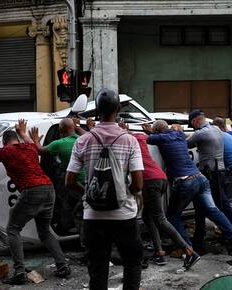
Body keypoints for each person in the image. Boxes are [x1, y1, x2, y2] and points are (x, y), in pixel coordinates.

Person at [65, 89, 144, 290]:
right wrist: (130, 194)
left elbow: (69, 181)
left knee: (98, 269)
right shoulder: (130, 140)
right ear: (118, 110)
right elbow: (138, 184)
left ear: (97, 111)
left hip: (93, 216)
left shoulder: (82, 140)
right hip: (124, 215)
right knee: (132, 262)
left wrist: (89, 192)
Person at [143, 120, 232, 262]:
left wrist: (148, 131)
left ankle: (186, 247)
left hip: (185, 181)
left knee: (172, 214)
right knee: (214, 212)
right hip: (201, 178)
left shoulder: (160, 138)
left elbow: (145, 138)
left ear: (157, 132)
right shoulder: (180, 135)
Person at [0, 120, 70, 285]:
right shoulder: (30, 147)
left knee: (13, 229)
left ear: (5, 141)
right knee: (45, 232)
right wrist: (23, 132)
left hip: (31, 190)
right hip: (49, 189)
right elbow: (32, 142)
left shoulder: (5, 151)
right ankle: (62, 266)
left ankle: (20, 272)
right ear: (17, 139)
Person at [124, 125, 198, 267]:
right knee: (147, 216)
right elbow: (146, 136)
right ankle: (159, 253)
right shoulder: (139, 137)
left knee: (160, 218)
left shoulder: (125, 140)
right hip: (160, 177)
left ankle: (189, 251)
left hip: (150, 181)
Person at [187, 110, 232, 250]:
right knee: (219, 206)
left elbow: (185, 144)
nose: (193, 128)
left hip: (210, 173)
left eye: (192, 125)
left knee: (212, 208)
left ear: (195, 121)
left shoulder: (200, 133)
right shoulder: (216, 129)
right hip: (220, 172)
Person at [28, 118, 85, 237]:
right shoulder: (83, 139)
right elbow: (91, 135)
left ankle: (70, 229)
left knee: (71, 209)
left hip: (74, 184)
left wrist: (35, 140)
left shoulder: (59, 143)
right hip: (88, 183)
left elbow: (40, 150)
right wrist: (78, 127)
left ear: (60, 130)